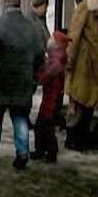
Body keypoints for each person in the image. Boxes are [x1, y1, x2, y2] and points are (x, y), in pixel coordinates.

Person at [0, 0, 45, 169]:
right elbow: (40, 53)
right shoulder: (31, 27)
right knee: (20, 117)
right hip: (23, 80)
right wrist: (36, 76)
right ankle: (22, 152)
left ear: (4, 6)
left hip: (1, 80)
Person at [65, 0, 98, 152]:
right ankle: (73, 139)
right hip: (83, 66)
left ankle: (82, 139)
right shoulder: (86, 7)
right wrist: (69, 62)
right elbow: (74, 35)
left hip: (94, 67)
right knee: (78, 104)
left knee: (89, 105)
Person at [32, 31, 70, 163]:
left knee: (46, 125)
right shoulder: (56, 58)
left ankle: (49, 152)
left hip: (52, 98)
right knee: (42, 124)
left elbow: (45, 77)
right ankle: (42, 150)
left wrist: (36, 74)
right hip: (50, 97)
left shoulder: (56, 61)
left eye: (52, 39)